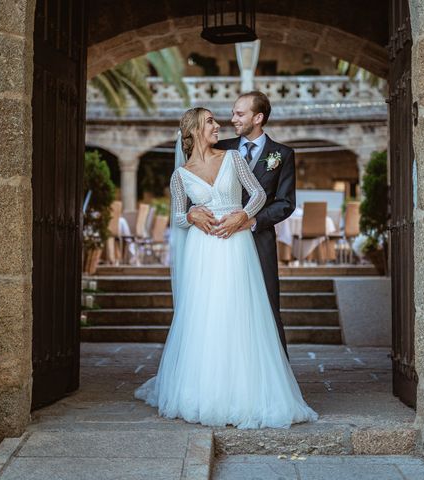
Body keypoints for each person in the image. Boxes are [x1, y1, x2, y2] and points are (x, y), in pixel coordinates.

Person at [134, 107, 317, 429]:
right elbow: (178, 216)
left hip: (235, 243)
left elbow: (259, 193)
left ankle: (246, 392)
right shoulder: (180, 175)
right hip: (203, 250)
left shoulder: (233, 159)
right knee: (206, 314)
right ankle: (205, 391)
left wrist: (243, 216)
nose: (217, 126)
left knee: (239, 310)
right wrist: (190, 216)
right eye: (209, 122)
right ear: (192, 131)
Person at [190, 91, 295, 359]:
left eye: (240, 114)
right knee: (223, 307)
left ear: (258, 118)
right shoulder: (221, 147)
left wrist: (251, 220)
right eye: (233, 112)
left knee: (268, 305)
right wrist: (193, 211)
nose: (232, 118)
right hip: (221, 240)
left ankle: (277, 374)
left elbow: (285, 203)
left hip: (259, 239)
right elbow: (193, 181)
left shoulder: (282, 154)